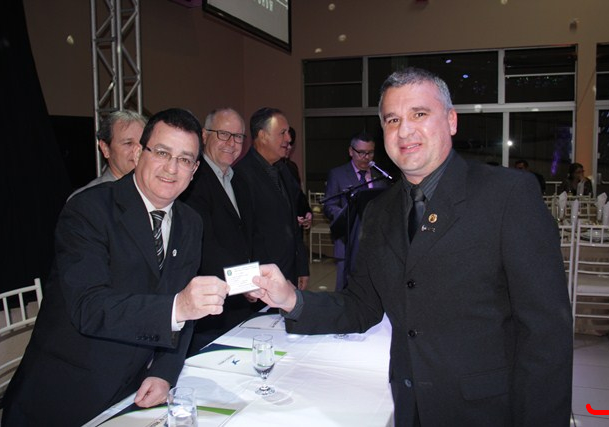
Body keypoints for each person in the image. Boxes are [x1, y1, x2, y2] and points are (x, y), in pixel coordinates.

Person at [249, 68, 573, 426]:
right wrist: (291, 299)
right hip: (409, 406)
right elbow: (361, 305)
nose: (404, 130)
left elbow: (546, 333)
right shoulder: (379, 212)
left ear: (451, 121)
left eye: (419, 114)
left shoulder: (507, 195)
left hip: (486, 411)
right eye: (393, 120)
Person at [2, 108, 230, 426]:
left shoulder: (191, 222)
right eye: (162, 152)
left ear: (194, 170)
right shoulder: (88, 210)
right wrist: (178, 306)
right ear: (139, 153)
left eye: (184, 159)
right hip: (66, 392)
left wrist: (164, 371)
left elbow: (185, 314)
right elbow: (89, 306)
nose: (171, 168)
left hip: (134, 389)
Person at [180, 108, 263, 354]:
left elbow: (249, 236)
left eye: (238, 137)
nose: (231, 143)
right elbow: (205, 245)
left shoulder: (238, 180)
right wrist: (244, 282)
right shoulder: (193, 181)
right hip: (210, 309)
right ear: (205, 135)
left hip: (239, 303)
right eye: (224, 134)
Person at [234, 107, 310, 290]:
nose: (288, 138)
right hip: (262, 280)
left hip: (289, 273)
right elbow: (242, 238)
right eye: (282, 133)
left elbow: (292, 224)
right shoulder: (241, 175)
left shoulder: (283, 169)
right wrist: (248, 285)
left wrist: (301, 266)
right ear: (263, 136)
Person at [323, 131, 390, 290]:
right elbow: (329, 205)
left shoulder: (380, 176)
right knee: (345, 290)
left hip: (374, 244)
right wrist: (346, 215)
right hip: (347, 242)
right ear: (351, 151)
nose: (366, 157)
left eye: (370, 153)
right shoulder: (338, 174)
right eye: (361, 153)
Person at [68, 109, 147, 200]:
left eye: (143, 143)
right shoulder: (86, 199)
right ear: (105, 149)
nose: (139, 150)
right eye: (128, 143)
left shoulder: (157, 192)